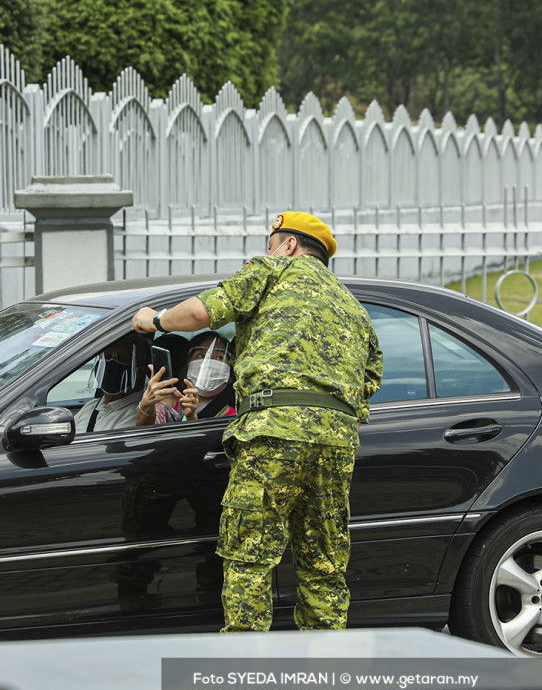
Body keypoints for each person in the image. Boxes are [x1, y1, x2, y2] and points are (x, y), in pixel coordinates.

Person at [132, 212, 382, 632]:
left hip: (273, 434)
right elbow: (371, 375)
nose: (267, 250)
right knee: (324, 562)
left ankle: (247, 668)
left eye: (271, 243)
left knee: (249, 557)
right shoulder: (351, 305)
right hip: (337, 443)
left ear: (287, 245)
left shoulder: (270, 269)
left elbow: (201, 313)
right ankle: (329, 670)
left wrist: (154, 320)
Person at [135, 333, 236, 425]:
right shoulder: (168, 402)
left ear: (230, 373)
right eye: (201, 355)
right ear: (187, 366)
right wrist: (147, 405)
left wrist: (191, 417)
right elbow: (143, 433)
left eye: (219, 357)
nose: (208, 363)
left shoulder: (233, 418)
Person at [75, 334, 149, 432]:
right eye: (107, 357)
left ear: (139, 371)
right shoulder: (91, 406)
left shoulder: (135, 415)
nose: (112, 364)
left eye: (122, 358)